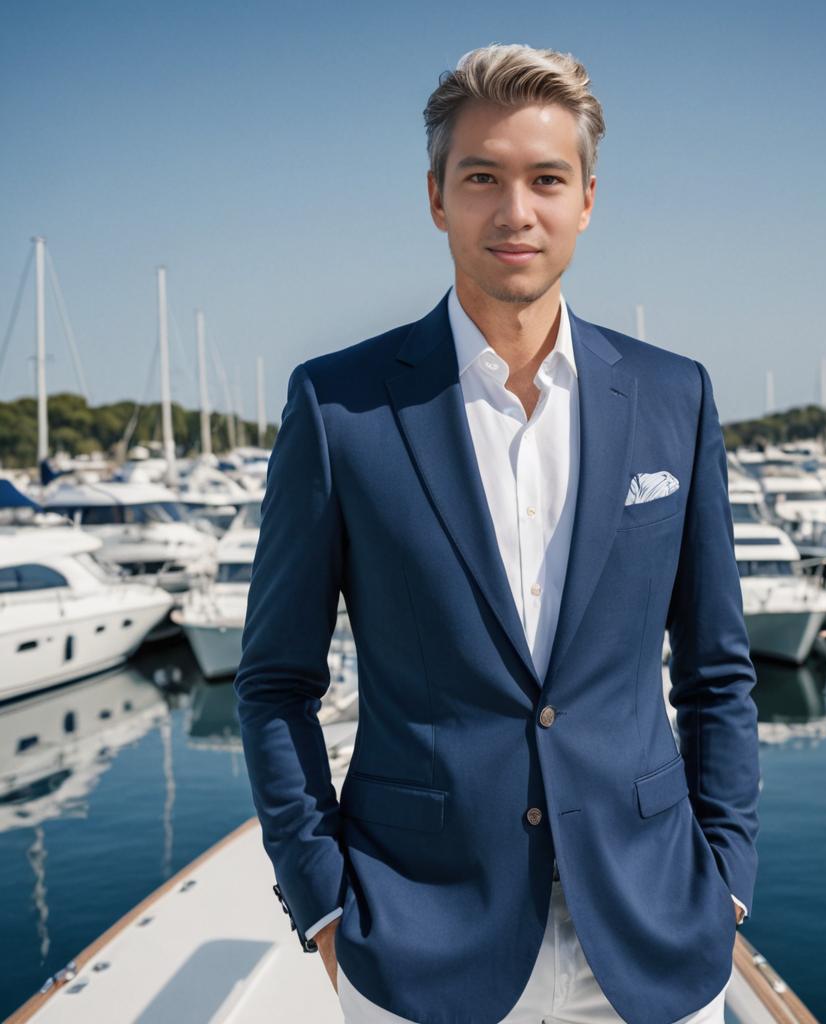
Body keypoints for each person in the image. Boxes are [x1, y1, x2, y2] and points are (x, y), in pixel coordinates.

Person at [234, 42, 760, 1024]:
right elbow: (274, 682)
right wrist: (321, 903)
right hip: (418, 936)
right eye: (482, 178)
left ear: (587, 200)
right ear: (436, 196)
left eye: (545, 180)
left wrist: (726, 873)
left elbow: (717, 670)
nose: (515, 212)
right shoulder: (339, 404)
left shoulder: (671, 395)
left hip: (654, 929)